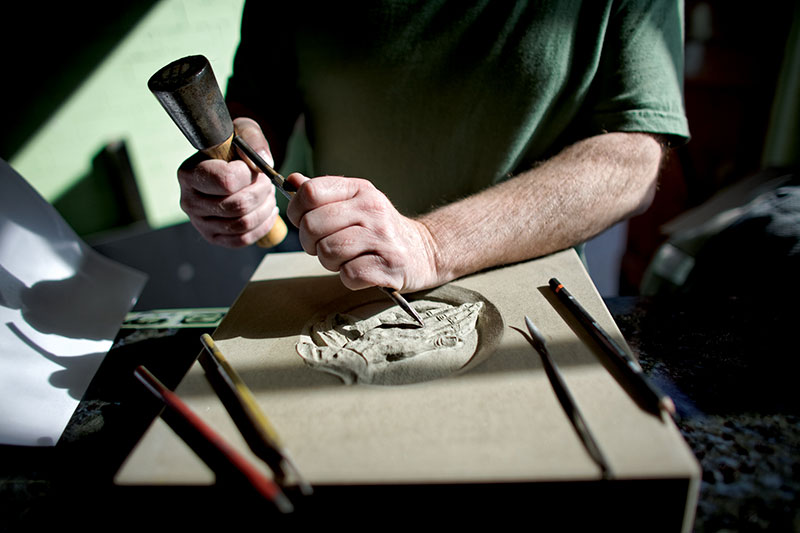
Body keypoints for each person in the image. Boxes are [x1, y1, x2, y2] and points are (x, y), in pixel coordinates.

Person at [177, 1, 689, 294]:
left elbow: (634, 157)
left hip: (528, 292)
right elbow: (260, 98)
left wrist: (431, 245)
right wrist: (239, 166)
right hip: (341, 278)